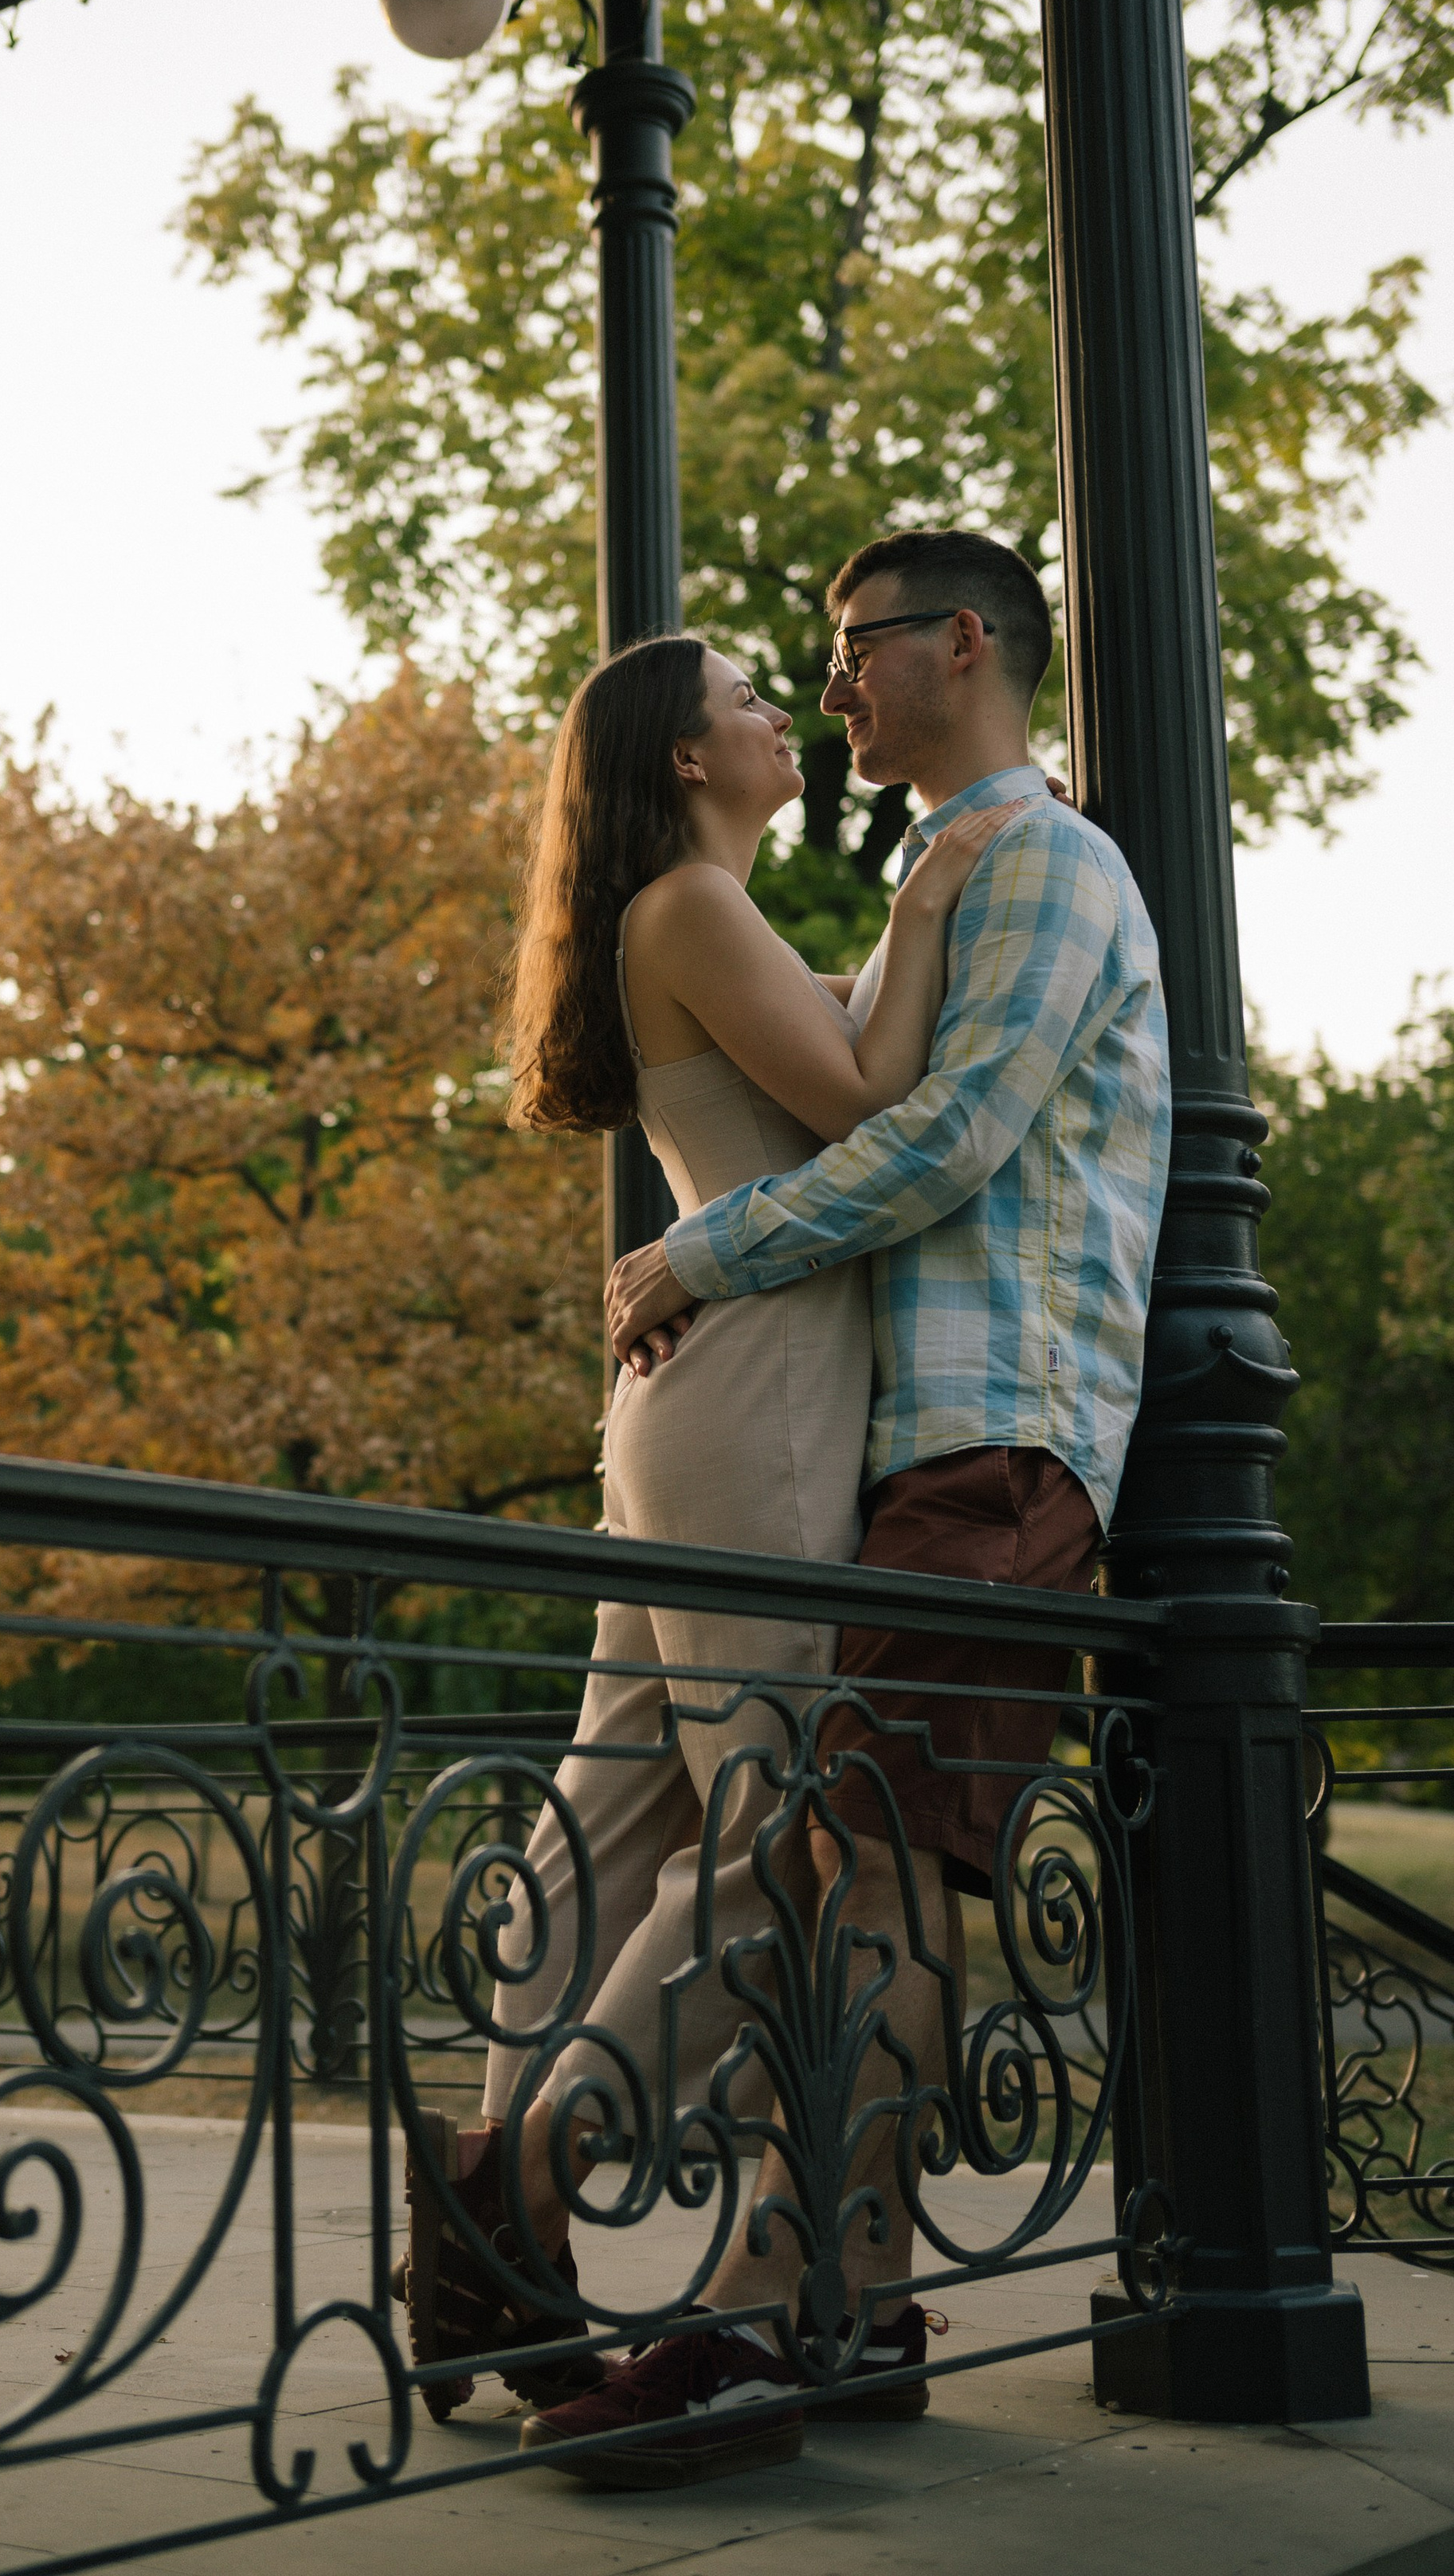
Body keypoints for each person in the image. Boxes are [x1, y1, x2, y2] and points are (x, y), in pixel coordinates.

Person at [519, 527, 1170, 2489]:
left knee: (854, 1863)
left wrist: (701, 1257)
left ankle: (751, 2319)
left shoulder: (1045, 860)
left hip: (999, 1432)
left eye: (854, 647)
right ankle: (852, 2307)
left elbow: (948, 1140)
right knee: (850, 1860)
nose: (829, 688)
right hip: (923, 1435)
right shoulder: (933, 877)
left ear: (959, 643)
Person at [398, 622, 1025, 2433]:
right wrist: (929, 900)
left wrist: (905, 920)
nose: (780, 717)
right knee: (778, 1826)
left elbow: (825, 1065)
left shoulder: (703, 914)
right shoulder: (684, 905)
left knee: (611, 1812)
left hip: (705, 1390)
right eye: (751, 698)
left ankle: (493, 2252)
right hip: (750, 1390)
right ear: (683, 757)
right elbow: (870, 1103)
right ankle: (509, 2187)